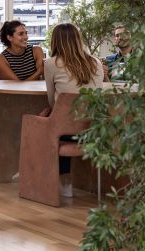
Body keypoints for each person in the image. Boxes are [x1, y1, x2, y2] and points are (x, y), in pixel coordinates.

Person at [40, 22, 105, 198]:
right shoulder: (96, 62)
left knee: (50, 121)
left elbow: (52, 100)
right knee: (61, 123)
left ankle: (61, 181)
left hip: (65, 131)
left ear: (55, 41)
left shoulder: (51, 63)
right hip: (93, 128)